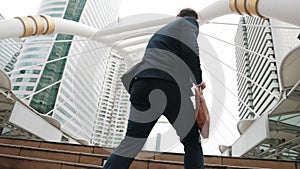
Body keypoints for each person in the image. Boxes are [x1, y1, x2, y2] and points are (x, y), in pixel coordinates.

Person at [103, 8, 206, 169]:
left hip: (143, 85)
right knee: (192, 141)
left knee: (131, 142)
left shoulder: (162, 32)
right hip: (171, 87)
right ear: (193, 19)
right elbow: (190, 50)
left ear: (177, 16)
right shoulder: (188, 22)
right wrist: (198, 81)